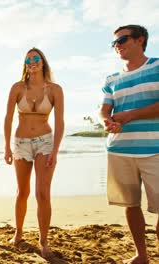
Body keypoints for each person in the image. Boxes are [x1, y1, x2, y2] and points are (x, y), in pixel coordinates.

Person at [99, 24, 159, 264]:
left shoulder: (157, 66)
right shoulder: (112, 78)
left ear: (140, 39)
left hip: (155, 149)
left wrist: (131, 115)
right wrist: (106, 122)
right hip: (120, 150)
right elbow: (104, 109)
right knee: (131, 205)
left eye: (122, 39)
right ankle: (141, 255)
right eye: (114, 42)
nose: (117, 45)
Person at [3, 48, 64, 258]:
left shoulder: (55, 89)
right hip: (21, 143)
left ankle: (43, 241)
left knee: (43, 193)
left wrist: (55, 150)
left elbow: (60, 121)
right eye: (28, 59)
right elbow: (8, 118)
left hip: (45, 142)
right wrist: (7, 147)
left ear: (43, 62)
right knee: (22, 192)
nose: (32, 61)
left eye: (35, 58)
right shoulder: (18, 88)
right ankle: (18, 232)